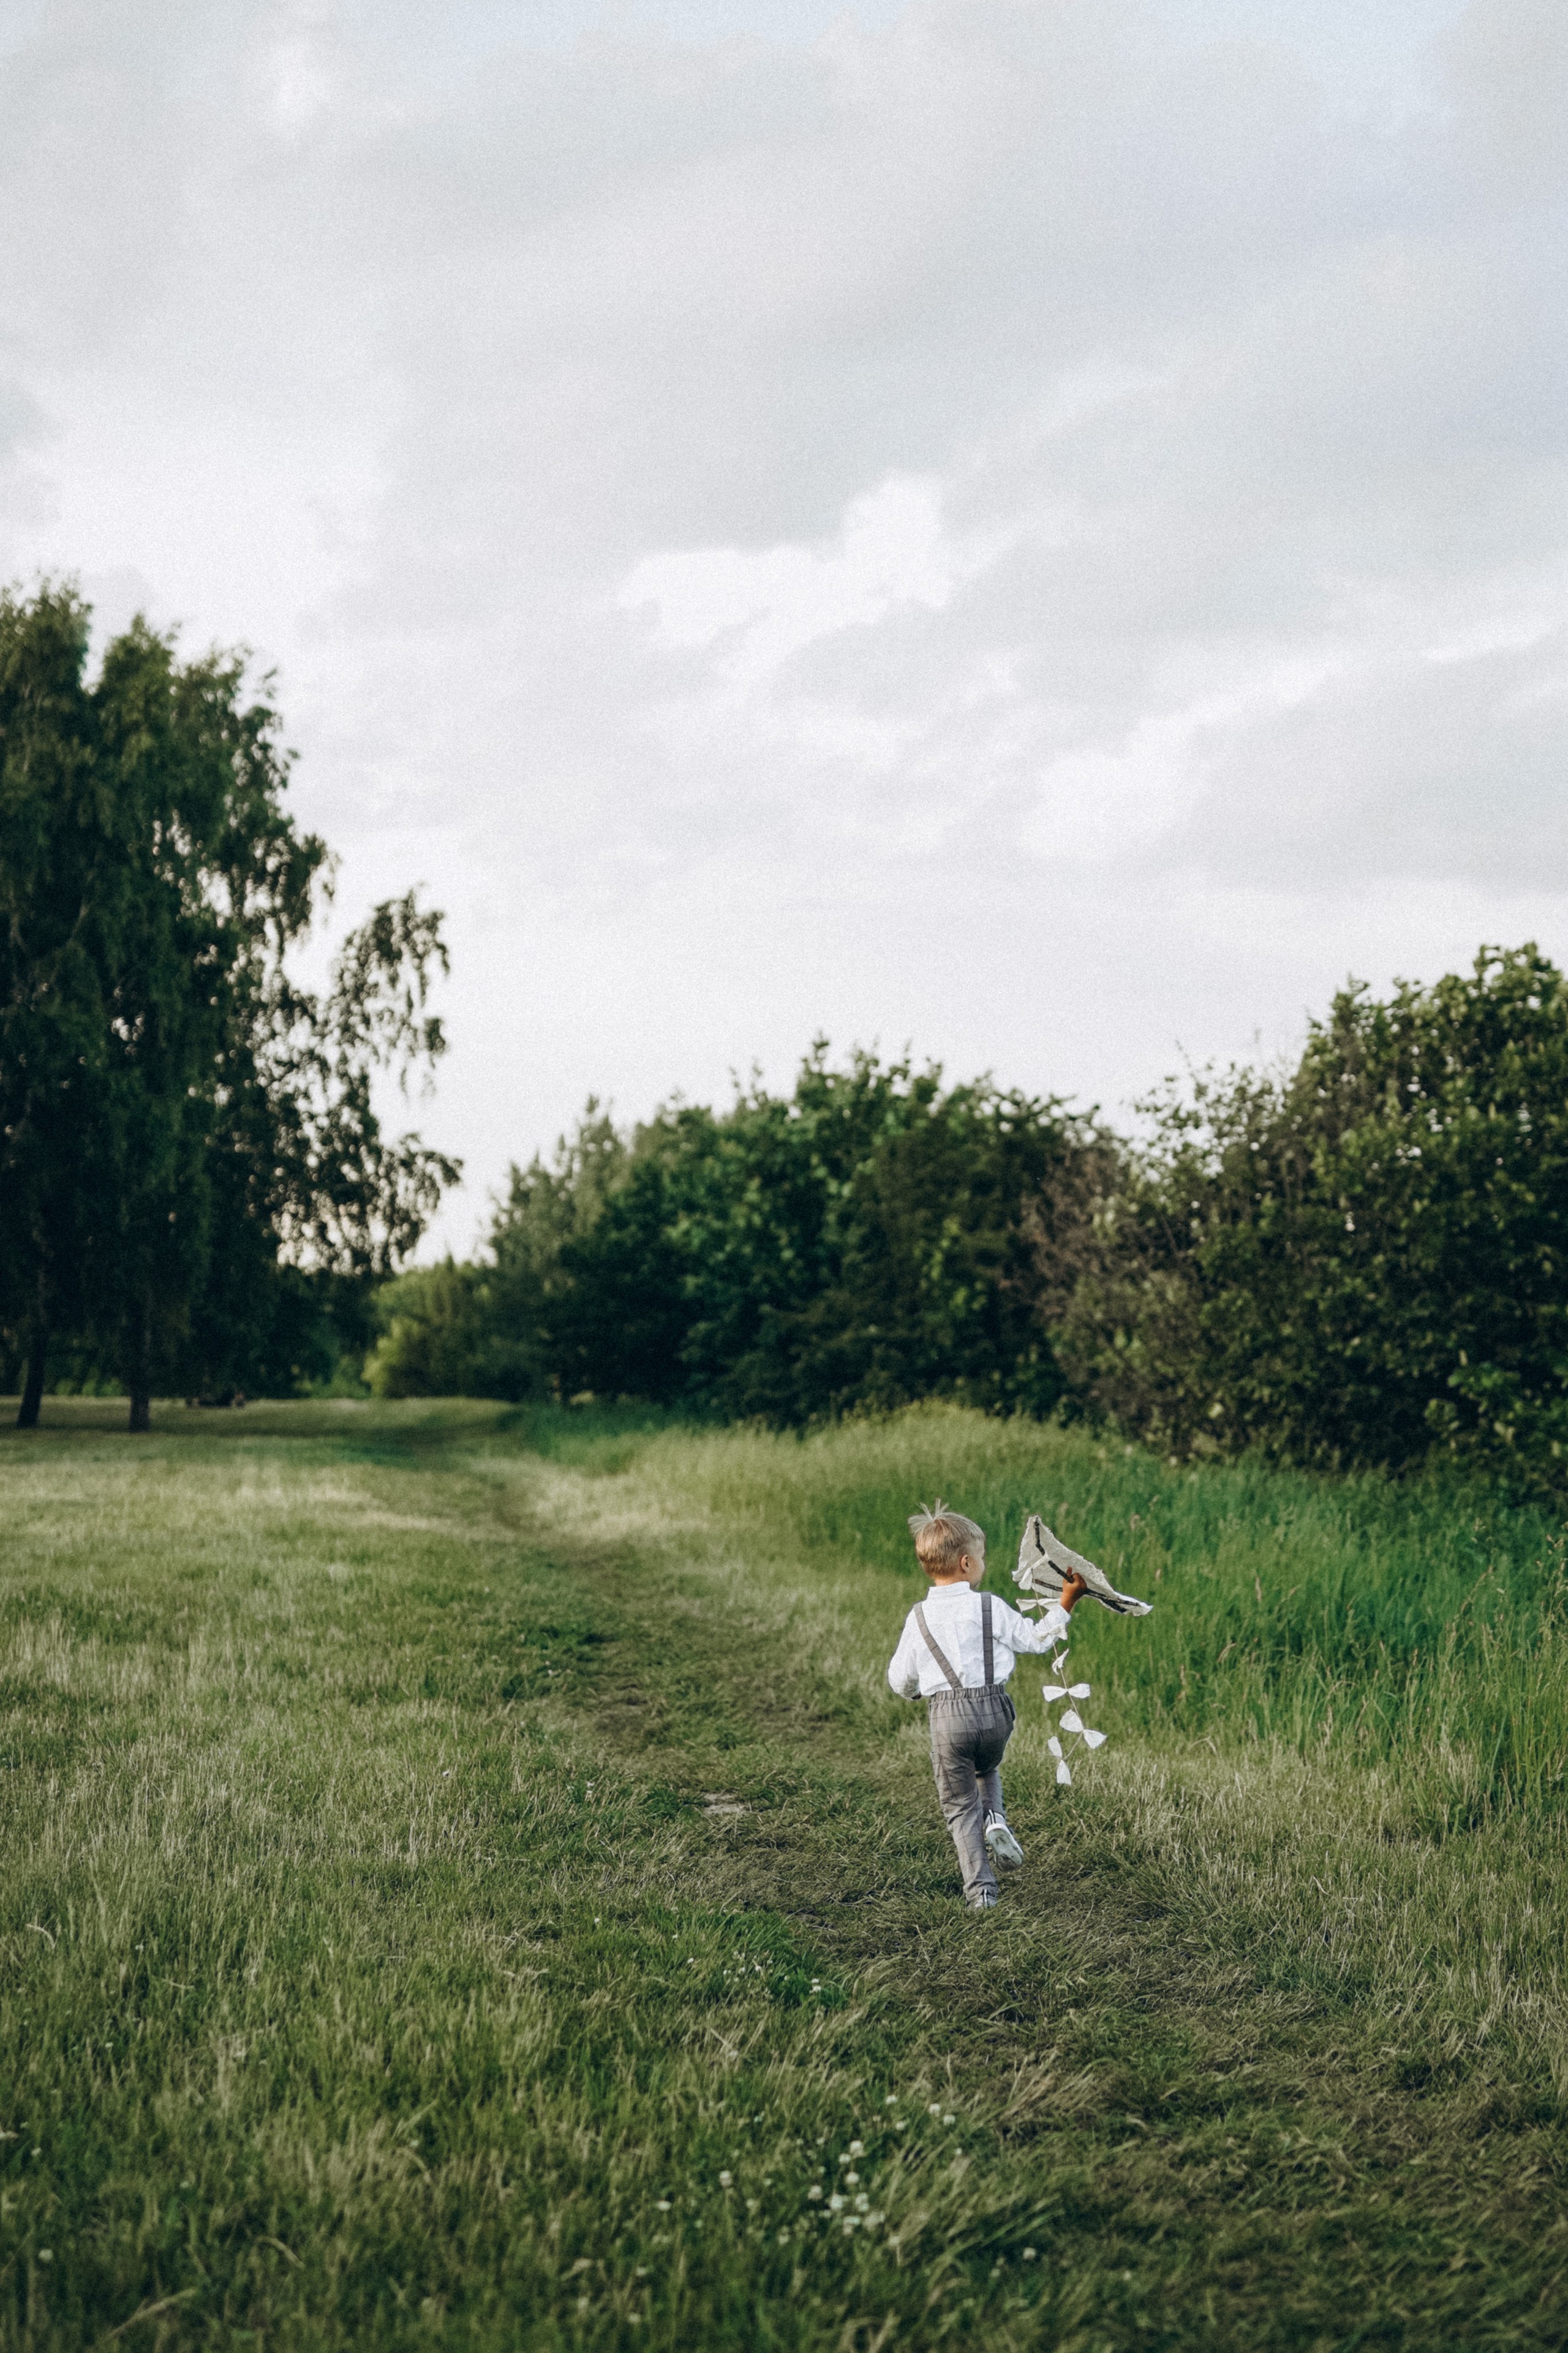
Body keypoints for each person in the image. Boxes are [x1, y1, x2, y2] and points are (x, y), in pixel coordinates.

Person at [887, 1501, 1088, 1911]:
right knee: (987, 1767)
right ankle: (995, 1817)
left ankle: (981, 1891)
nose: (984, 1562)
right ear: (965, 1563)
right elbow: (1035, 1639)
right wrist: (1066, 1601)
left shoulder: (920, 1616)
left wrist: (913, 1692)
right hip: (996, 1715)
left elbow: (900, 1677)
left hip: (948, 1719)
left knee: (961, 1807)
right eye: (981, 1556)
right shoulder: (989, 1605)